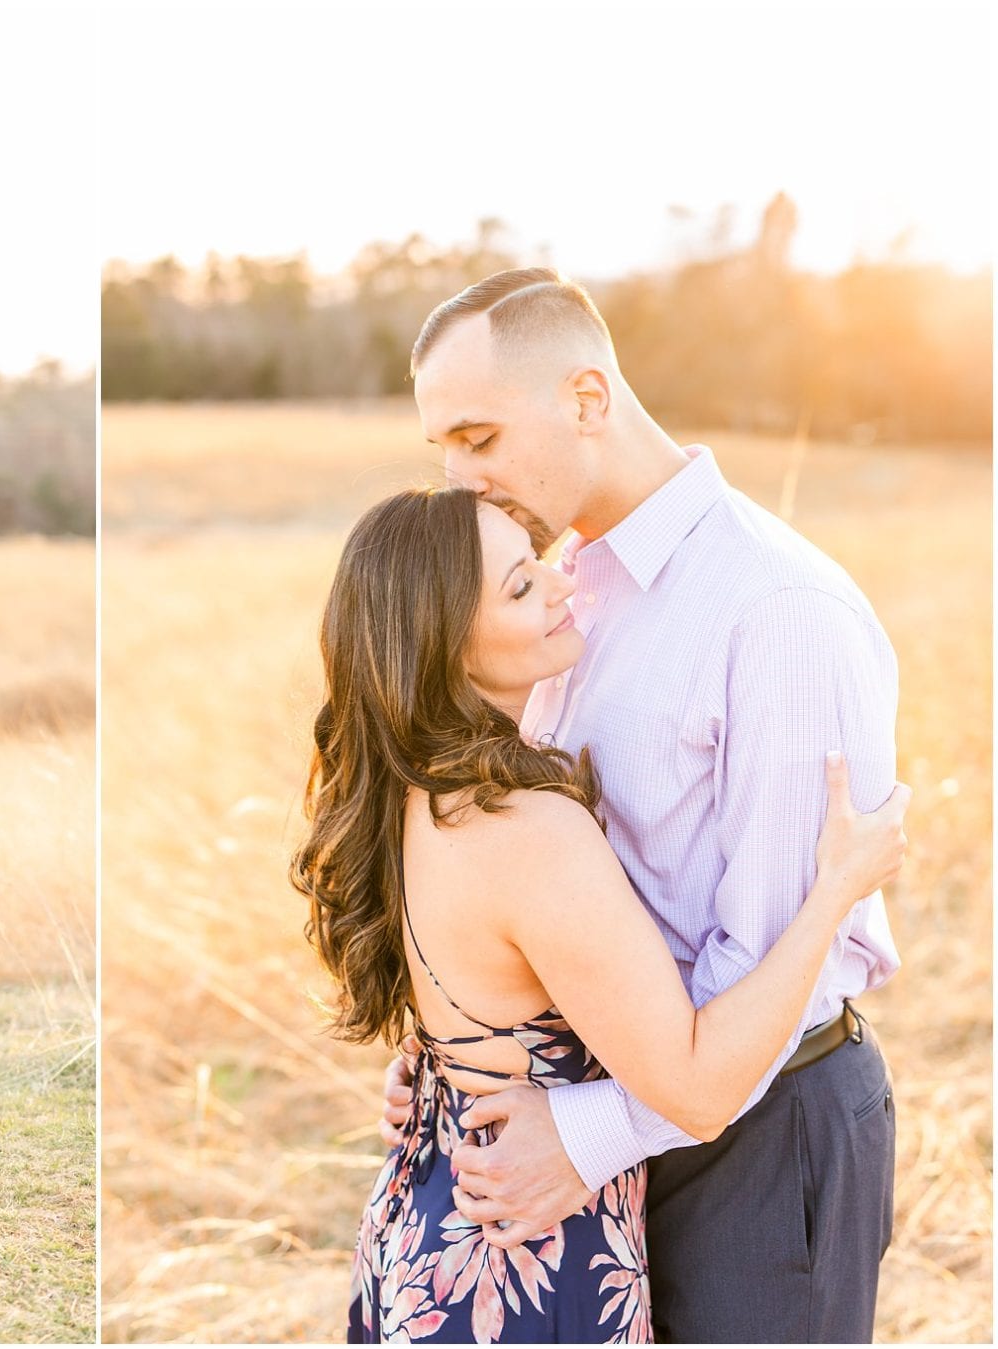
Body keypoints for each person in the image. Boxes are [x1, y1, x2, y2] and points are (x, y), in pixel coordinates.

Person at [375, 268, 905, 1342]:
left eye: (478, 437)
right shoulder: (555, 590)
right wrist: (472, 1045)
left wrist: (581, 1132)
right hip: (600, 1121)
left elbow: (760, 969)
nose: (460, 478)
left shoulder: (774, 609)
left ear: (586, 398)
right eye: (440, 448)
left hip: (759, 1136)